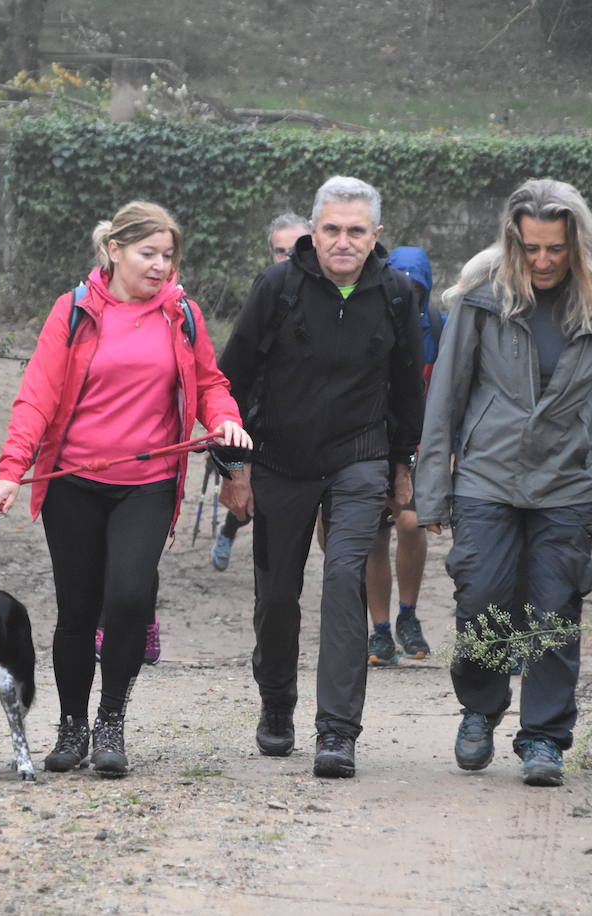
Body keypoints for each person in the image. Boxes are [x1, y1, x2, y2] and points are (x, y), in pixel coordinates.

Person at [0, 201, 250, 778]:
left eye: (168, 256)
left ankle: (111, 722)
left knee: (130, 598)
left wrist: (224, 419)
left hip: (149, 484)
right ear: (115, 250)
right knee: (78, 610)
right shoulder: (76, 310)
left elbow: (210, 382)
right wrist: (13, 467)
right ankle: (72, 727)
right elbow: (37, 393)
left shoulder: (181, 313)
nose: (160, 266)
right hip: (73, 482)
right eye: (148, 254)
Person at [414, 178, 592, 787]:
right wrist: (432, 490)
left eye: (556, 249)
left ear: (578, 245)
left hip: (567, 484)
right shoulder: (483, 299)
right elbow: (446, 400)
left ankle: (544, 736)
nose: (543, 261)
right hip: (487, 477)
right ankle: (480, 709)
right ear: (513, 241)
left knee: (554, 608)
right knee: (481, 599)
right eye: (531, 247)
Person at [218, 176, 425, 778]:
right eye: (331, 229)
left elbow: (408, 386)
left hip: (358, 458)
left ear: (376, 236)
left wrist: (403, 464)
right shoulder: (277, 287)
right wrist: (233, 467)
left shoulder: (396, 294)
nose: (342, 241)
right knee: (277, 594)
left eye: (356, 231)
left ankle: (337, 731)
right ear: (314, 231)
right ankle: (277, 702)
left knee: (343, 579)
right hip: (280, 458)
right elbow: (230, 381)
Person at [209, 211, 311, 572]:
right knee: (249, 497)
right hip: (256, 413)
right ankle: (230, 530)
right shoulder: (267, 288)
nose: (288, 258)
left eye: (296, 248)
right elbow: (236, 365)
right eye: (279, 251)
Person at [363, 245, 439, 666]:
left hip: (422, 446)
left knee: (411, 523)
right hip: (374, 442)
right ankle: (379, 631)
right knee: (375, 535)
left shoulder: (441, 329)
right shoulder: (373, 320)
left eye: (417, 287)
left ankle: (407, 615)